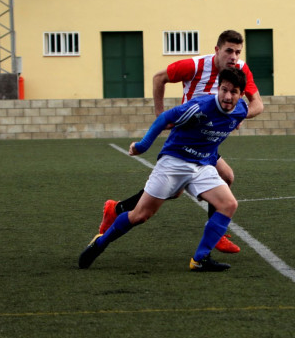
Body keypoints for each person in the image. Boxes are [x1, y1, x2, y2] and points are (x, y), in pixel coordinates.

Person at [99, 30, 263, 253]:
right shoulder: (195, 66)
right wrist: (161, 117)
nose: (234, 57)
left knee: (223, 178)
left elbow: (258, 104)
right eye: (229, 51)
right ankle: (117, 209)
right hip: (186, 137)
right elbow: (159, 78)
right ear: (217, 50)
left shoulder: (240, 70)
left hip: (208, 141)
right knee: (187, 187)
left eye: (237, 52)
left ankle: (216, 234)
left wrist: (237, 114)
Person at [79, 68, 248, 272]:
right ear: (218, 89)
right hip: (174, 162)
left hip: (202, 165)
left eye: (234, 92)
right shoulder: (200, 106)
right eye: (224, 90)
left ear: (241, 95)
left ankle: (200, 259)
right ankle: (100, 243)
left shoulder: (241, 110)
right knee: (140, 215)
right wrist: (142, 145)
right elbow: (164, 118)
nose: (228, 96)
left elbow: (231, 122)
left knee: (229, 204)